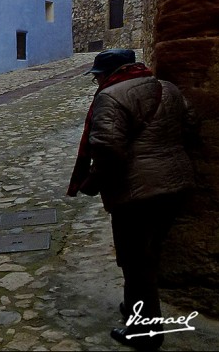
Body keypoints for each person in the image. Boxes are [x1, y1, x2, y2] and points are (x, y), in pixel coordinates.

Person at [67, 48, 195, 351]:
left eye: (97, 75)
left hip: (137, 191)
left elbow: (108, 148)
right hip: (176, 182)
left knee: (137, 263)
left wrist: (90, 184)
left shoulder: (110, 97)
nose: (96, 81)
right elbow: (191, 126)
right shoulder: (168, 87)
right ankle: (132, 307)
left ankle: (146, 333)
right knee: (145, 254)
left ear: (108, 74)